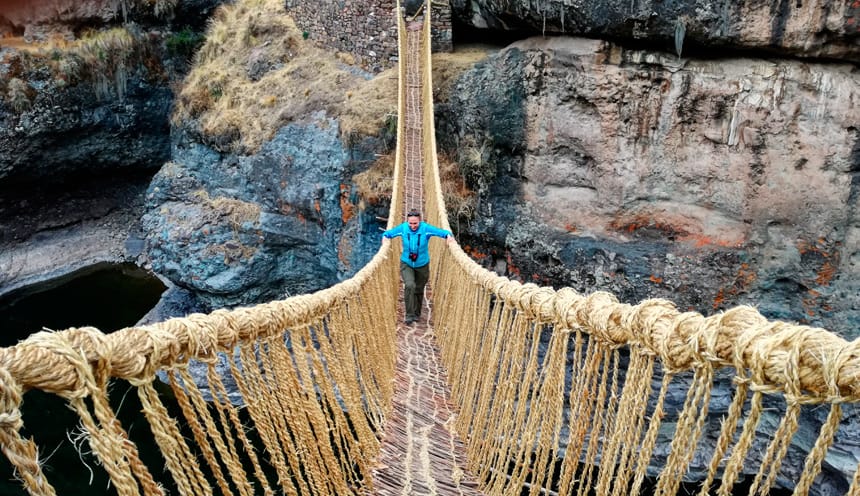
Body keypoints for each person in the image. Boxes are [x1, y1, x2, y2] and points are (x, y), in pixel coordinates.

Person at [382, 209, 455, 324]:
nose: (413, 226)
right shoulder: (404, 228)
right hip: (407, 263)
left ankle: (417, 313)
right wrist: (385, 239)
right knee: (410, 285)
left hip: (422, 265)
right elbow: (388, 234)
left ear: (420, 221)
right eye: (410, 223)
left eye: (415, 223)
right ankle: (409, 315)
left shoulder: (425, 229)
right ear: (407, 221)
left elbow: (443, 232)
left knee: (419, 289)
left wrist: (449, 237)